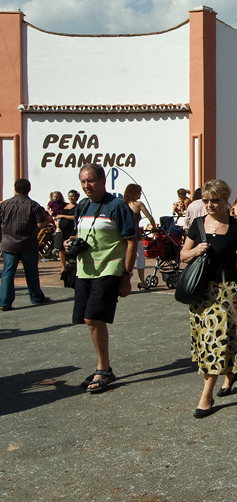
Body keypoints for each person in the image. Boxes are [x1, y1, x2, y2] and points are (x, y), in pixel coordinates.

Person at [180, 179, 237, 418]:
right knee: (208, 337)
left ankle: (206, 396)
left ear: (226, 200)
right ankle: (231, 372)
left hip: (226, 289)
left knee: (217, 337)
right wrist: (195, 251)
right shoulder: (197, 224)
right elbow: (184, 254)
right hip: (200, 289)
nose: (209, 205)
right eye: (205, 200)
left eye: (214, 200)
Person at [67, 163, 137, 393]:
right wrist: (71, 242)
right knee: (89, 320)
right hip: (84, 271)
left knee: (93, 318)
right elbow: (80, 233)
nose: (86, 186)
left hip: (108, 270)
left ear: (102, 181)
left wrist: (126, 275)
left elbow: (131, 240)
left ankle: (103, 369)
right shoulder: (83, 206)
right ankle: (104, 366)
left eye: (91, 181)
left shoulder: (117, 206)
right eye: (83, 182)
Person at [0, 179, 53, 311]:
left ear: (15, 189)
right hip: (28, 243)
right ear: (29, 189)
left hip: (8, 243)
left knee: (8, 272)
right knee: (31, 272)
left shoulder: (4, 204)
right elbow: (41, 224)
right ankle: (36, 297)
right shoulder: (33, 205)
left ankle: (4, 301)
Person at [123, 184, 157, 290]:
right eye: (139, 192)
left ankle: (121, 280)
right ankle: (141, 281)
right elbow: (150, 217)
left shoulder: (123, 203)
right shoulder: (138, 204)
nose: (140, 194)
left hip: (123, 235)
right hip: (135, 235)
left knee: (123, 258)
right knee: (140, 257)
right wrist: (154, 228)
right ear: (134, 193)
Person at [53, 190, 80, 275]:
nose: (70, 198)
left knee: (72, 248)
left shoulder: (78, 207)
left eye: (72, 196)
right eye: (69, 196)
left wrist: (63, 216)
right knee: (61, 249)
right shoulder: (64, 206)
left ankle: (73, 267)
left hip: (71, 230)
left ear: (76, 197)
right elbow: (58, 217)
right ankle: (63, 268)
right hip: (61, 231)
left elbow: (76, 217)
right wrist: (57, 227)